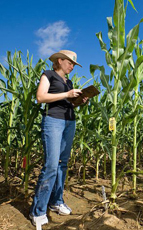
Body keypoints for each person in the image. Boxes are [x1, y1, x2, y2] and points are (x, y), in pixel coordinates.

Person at [29, 50, 88, 227]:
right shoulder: (48, 75)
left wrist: (80, 101)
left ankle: (56, 201)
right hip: (53, 121)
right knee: (51, 165)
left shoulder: (68, 82)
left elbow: (68, 103)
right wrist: (67, 94)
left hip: (69, 122)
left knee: (63, 164)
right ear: (60, 60)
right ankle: (38, 211)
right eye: (70, 62)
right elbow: (40, 97)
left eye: (73, 64)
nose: (72, 66)